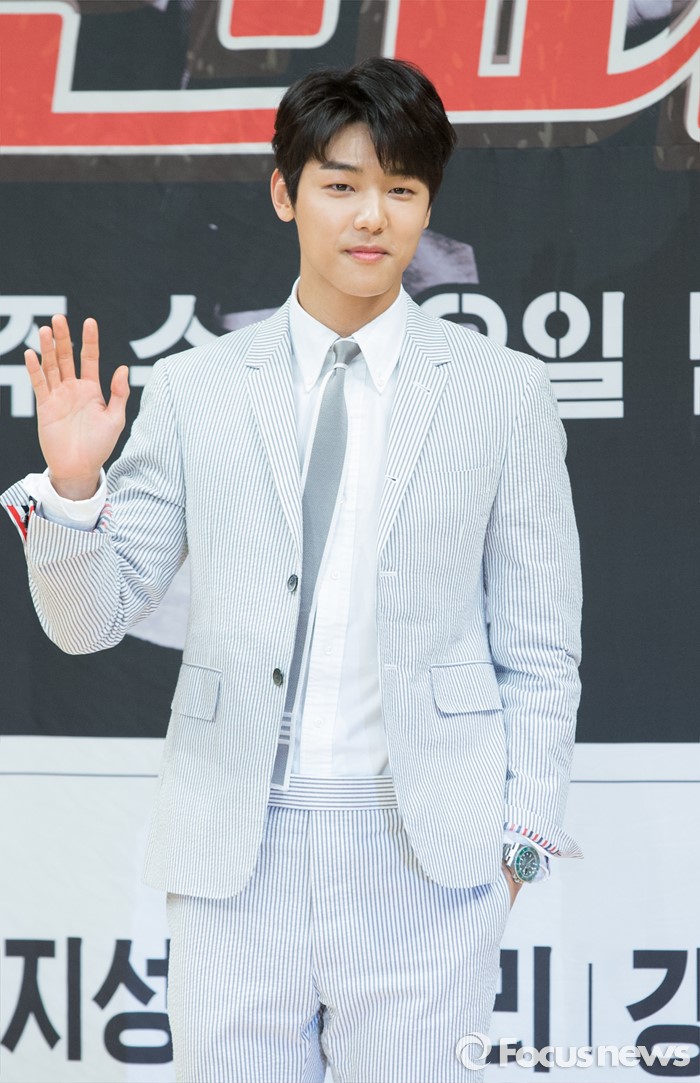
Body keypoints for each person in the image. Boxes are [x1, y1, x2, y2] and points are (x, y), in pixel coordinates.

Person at [2, 58, 582, 1083]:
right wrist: (75, 484)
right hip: (236, 849)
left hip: (427, 858)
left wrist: (520, 845)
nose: (373, 216)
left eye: (401, 189)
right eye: (341, 184)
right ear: (285, 192)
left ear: (428, 207)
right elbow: (87, 622)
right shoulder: (196, 390)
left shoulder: (502, 394)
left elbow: (539, 647)